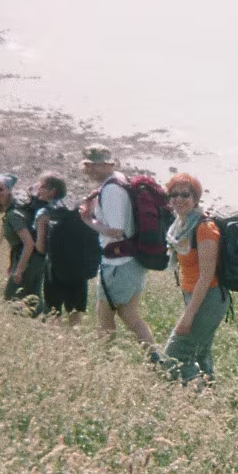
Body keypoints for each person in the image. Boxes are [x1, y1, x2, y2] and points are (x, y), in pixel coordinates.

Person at [78, 144, 162, 360]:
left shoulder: (112, 189)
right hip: (131, 260)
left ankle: (106, 360)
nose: (89, 170)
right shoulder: (119, 180)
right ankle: (157, 360)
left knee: (106, 315)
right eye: (88, 166)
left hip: (118, 262)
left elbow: (116, 231)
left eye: (91, 166)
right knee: (129, 315)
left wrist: (88, 220)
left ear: (104, 165)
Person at [159, 173, 232, 384]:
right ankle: (212, 395)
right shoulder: (181, 226)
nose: (178, 199)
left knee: (174, 357)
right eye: (173, 195)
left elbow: (206, 276)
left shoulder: (204, 228)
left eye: (185, 194)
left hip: (209, 298)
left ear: (196, 198)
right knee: (200, 354)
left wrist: (188, 315)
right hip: (195, 296)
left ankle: (197, 398)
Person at [35, 172, 87, 324]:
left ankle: (56, 339)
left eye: (42, 187)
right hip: (79, 267)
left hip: (54, 267)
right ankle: (75, 337)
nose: (38, 190)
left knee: (53, 312)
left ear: (53, 191)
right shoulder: (77, 209)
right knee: (75, 312)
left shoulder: (44, 213)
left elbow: (40, 247)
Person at [0, 174, 43, 312]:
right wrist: (12, 265)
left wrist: (19, 269)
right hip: (35, 260)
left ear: (9, 190)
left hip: (28, 260)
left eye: (0, 189)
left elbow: (28, 243)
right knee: (32, 300)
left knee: (12, 299)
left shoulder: (14, 214)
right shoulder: (16, 208)